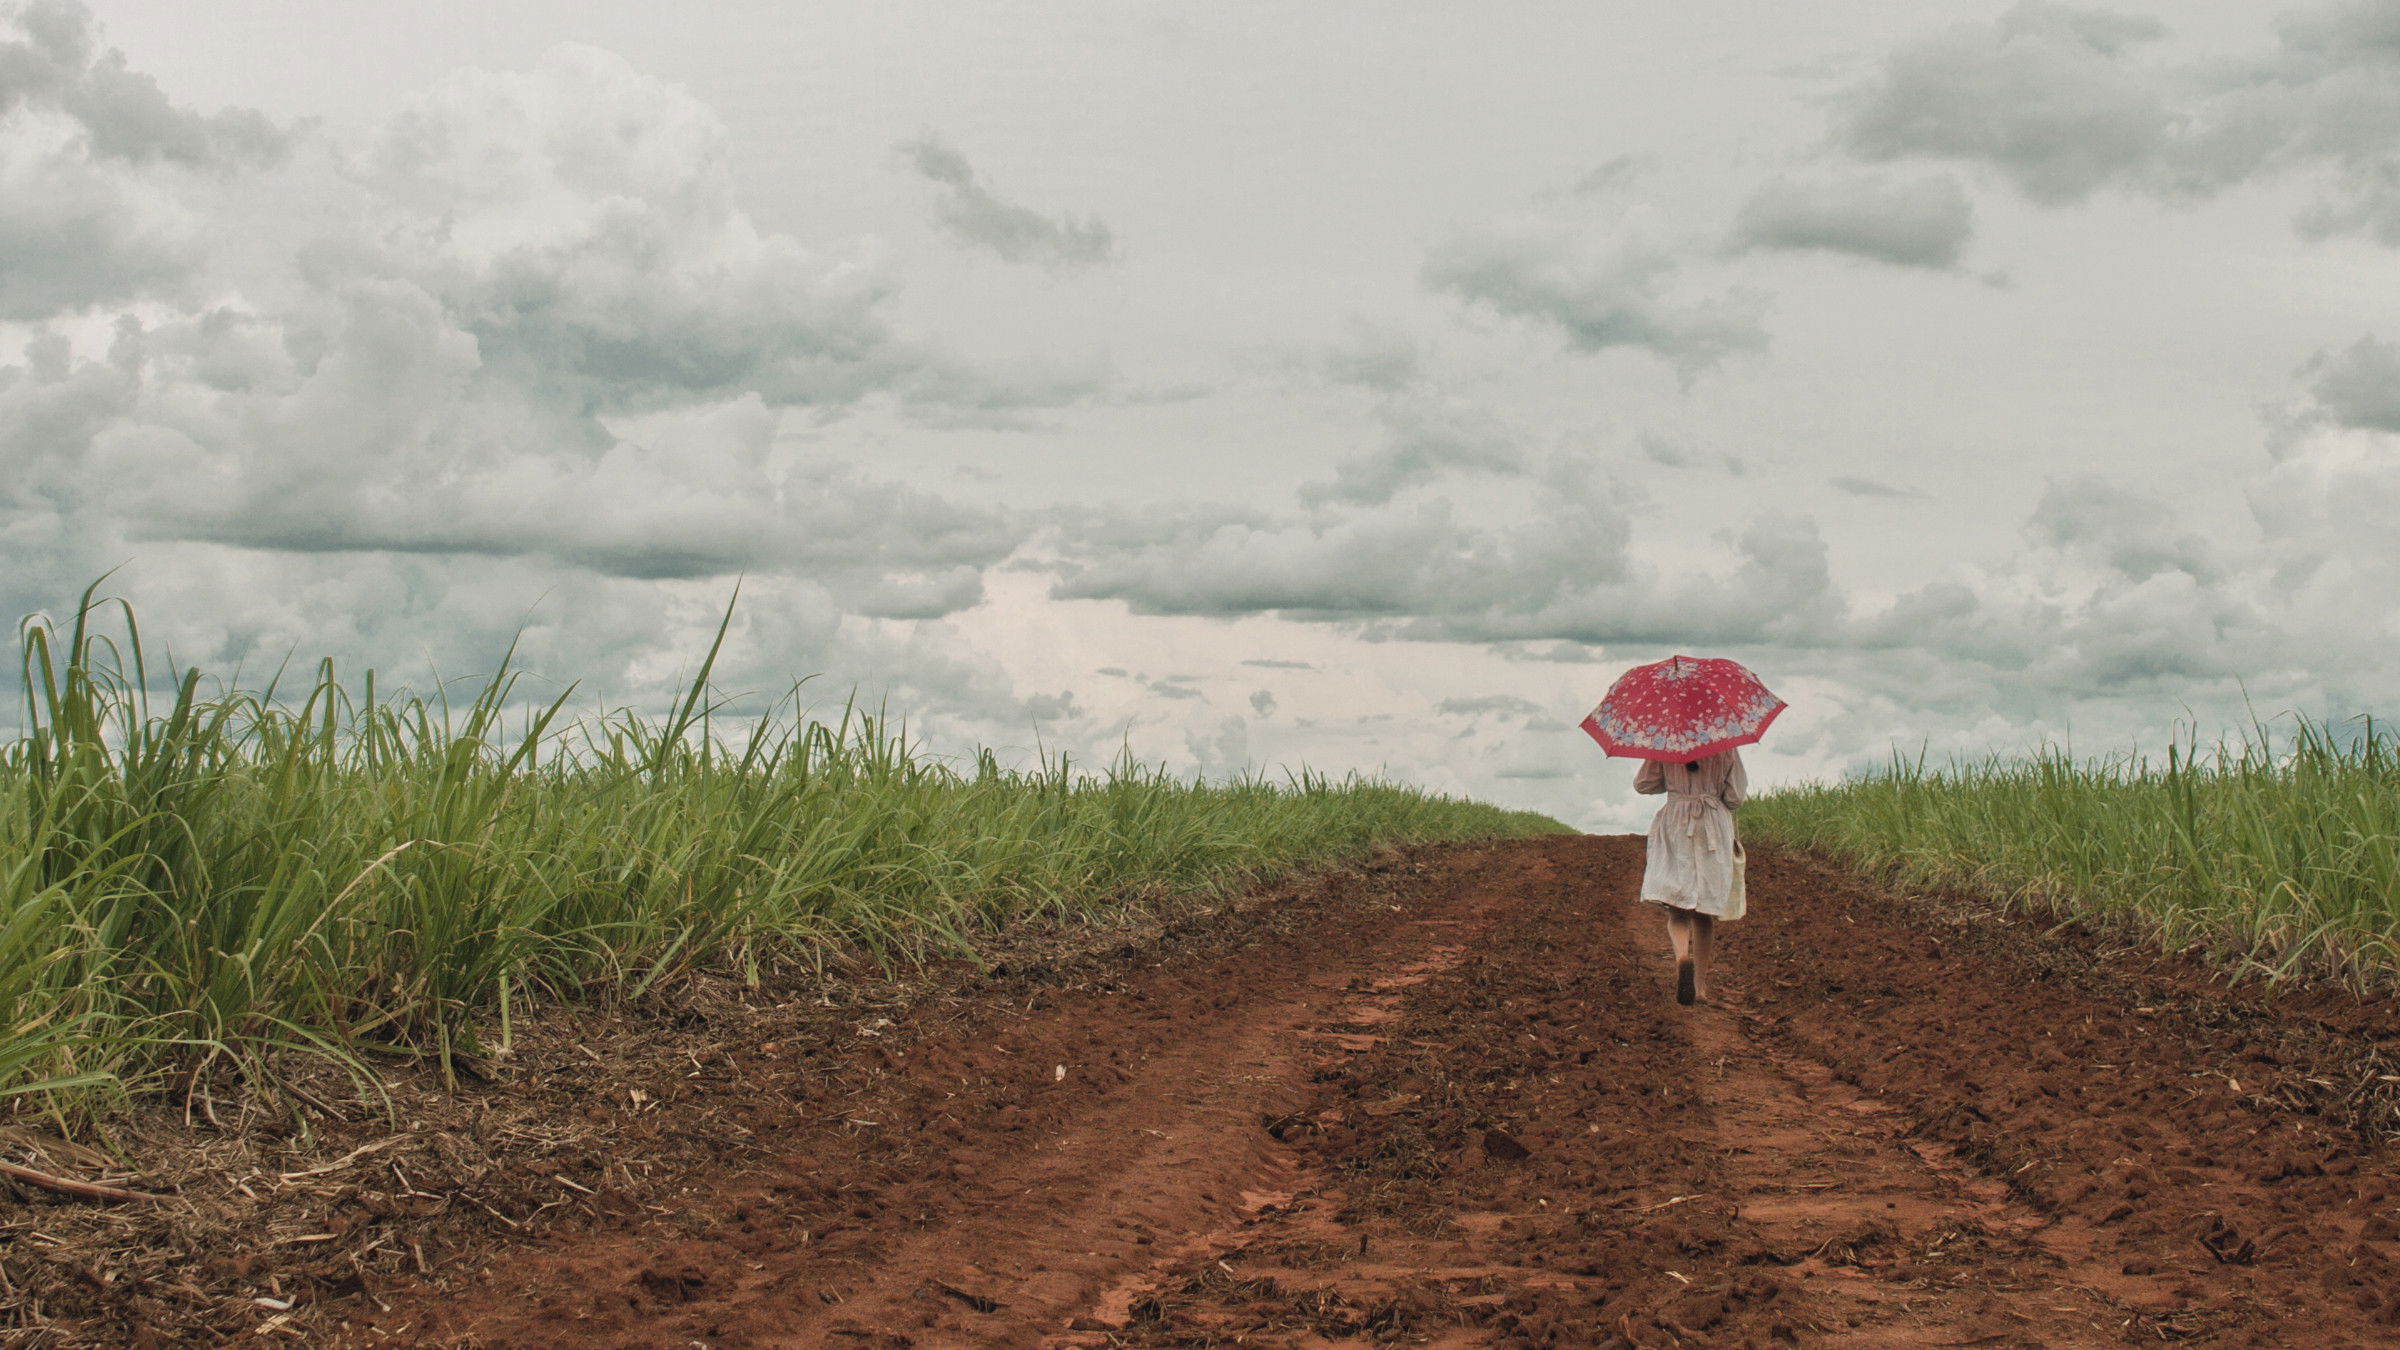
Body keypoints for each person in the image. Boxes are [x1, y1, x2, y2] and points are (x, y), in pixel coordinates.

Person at [1633, 748, 1747, 1006]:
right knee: (1704, 912)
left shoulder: (1666, 742)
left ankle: (1682, 956)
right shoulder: (1725, 743)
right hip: (1712, 823)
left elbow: (1643, 784)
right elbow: (1735, 796)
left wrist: (1671, 776)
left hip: (1676, 820)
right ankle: (1700, 986)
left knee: (1677, 908)